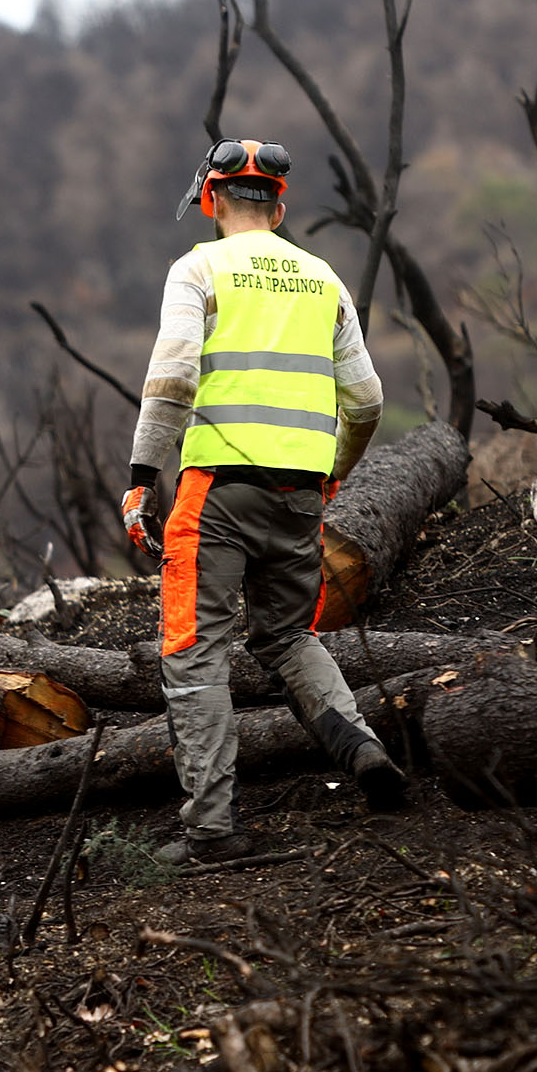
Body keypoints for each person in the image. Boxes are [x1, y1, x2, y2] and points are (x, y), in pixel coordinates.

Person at [121, 138, 407, 864]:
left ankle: (212, 829)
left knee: (193, 653)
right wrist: (332, 470)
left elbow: (173, 378)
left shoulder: (198, 268)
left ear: (212, 201)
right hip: (299, 493)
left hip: (217, 489)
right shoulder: (323, 280)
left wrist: (139, 475)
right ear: (279, 206)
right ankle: (362, 747)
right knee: (286, 636)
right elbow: (368, 399)